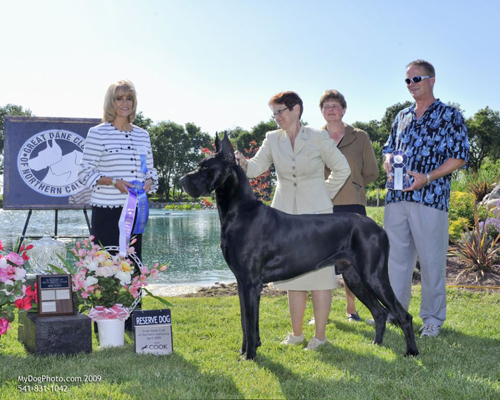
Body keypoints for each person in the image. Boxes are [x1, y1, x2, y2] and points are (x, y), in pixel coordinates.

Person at [235, 91, 350, 350]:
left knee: (321, 277)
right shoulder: (271, 139)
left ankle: (320, 337)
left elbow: (343, 168)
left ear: (296, 109)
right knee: (293, 278)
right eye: (273, 113)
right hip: (283, 218)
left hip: (317, 217)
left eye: (280, 112)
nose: (276, 118)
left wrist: (324, 194)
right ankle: (297, 334)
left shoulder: (319, 137)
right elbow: (255, 169)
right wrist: (242, 163)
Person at [382, 60, 469, 337]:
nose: (411, 84)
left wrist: (427, 177)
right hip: (396, 200)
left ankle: (432, 319)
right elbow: (388, 148)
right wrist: (386, 161)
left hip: (431, 199)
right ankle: (397, 312)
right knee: (395, 261)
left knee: (431, 262)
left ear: (432, 79)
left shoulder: (450, 115)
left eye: (416, 79)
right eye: (407, 80)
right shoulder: (401, 116)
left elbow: (459, 157)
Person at [78, 79, 158, 263]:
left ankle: (135, 293)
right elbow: (84, 172)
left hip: (136, 212)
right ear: (110, 102)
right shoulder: (98, 133)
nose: (125, 103)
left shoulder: (143, 135)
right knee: (105, 267)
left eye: (129, 98)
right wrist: (114, 182)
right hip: (107, 212)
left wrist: (148, 182)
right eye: (119, 98)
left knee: (133, 265)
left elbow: (150, 170)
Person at [319, 89, 379, 323]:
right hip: (322, 206)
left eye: (335, 106)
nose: (331, 110)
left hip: (353, 206)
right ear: (321, 112)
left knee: (352, 261)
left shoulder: (361, 136)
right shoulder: (313, 136)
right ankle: (321, 312)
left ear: (343, 110)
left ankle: (351, 309)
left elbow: (372, 171)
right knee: (320, 261)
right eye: (326, 106)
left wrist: (352, 184)